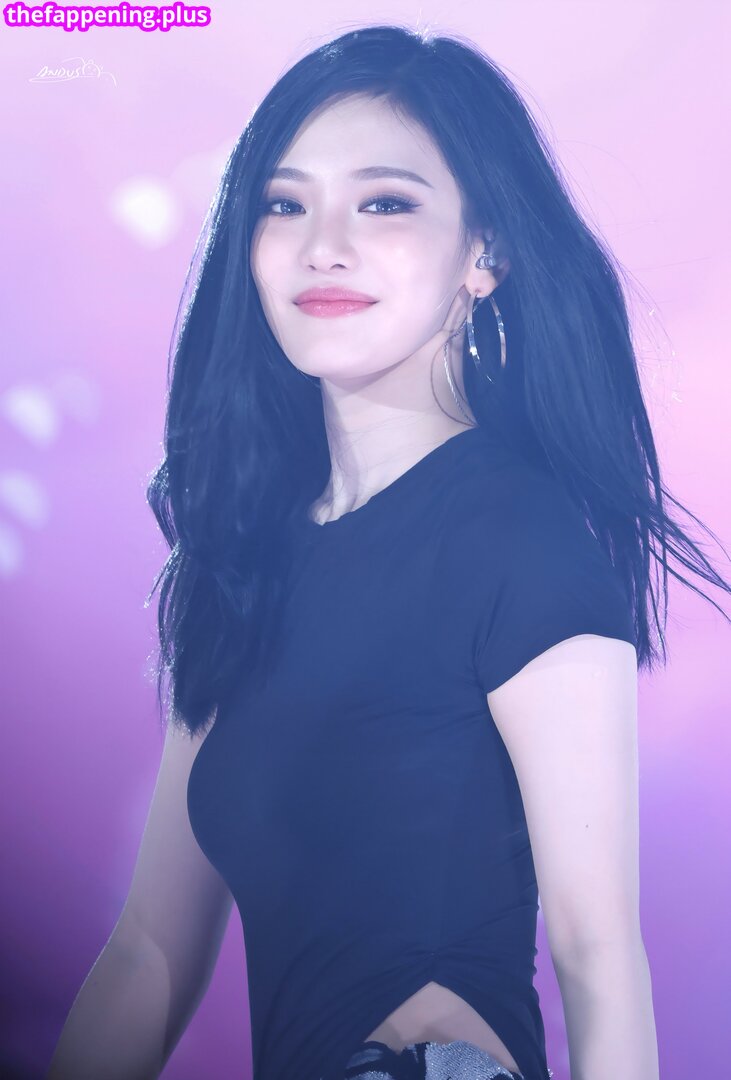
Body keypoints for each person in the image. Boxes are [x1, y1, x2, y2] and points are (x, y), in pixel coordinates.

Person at [48, 24, 731, 1080]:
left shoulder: (521, 536)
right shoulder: (235, 562)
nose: (322, 244)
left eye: (383, 203)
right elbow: (147, 948)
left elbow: (596, 954)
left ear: (484, 254)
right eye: (283, 204)